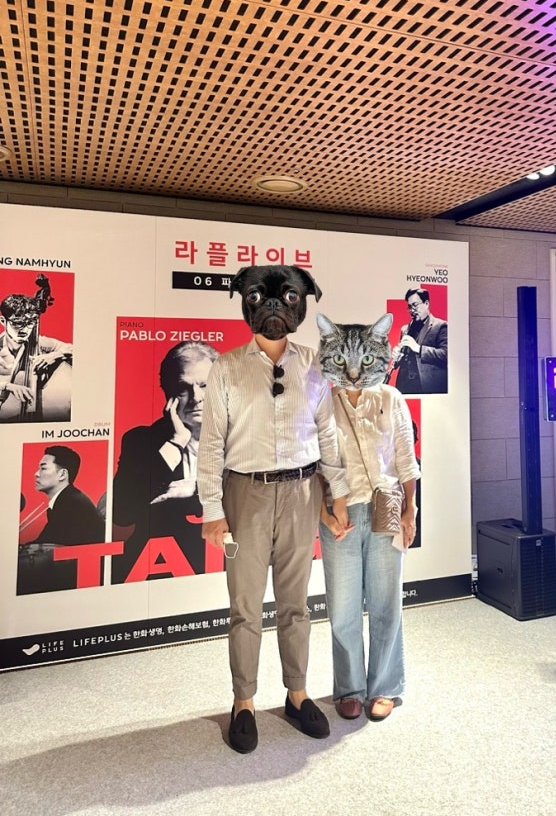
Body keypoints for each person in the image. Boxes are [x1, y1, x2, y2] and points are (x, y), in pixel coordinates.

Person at [197, 265, 348, 755]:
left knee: (296, 604)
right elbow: (211, 443)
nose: (274, 307)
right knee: (245, 607)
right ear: (244, 301)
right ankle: (243, 701)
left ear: (304, 302)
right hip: (245, 494)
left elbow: (327, 434)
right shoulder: (226, 367)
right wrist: (213, 509)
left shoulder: (315, 365)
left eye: (289, 297)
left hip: (303, 493)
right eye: (259, 297)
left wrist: (337, 495)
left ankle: (297, 694)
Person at [316, 312, 419, 722]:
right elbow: (314, 466)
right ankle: (349, 687)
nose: (354, 373)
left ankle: (385, 686)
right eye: (344, 362)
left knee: (385, 601)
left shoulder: (391, 399)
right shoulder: (321, 401)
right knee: (342, 607)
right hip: (338, 511)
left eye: (365, 362)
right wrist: (323, 514)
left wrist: (411, 510)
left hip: (386, 506)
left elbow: (406, 459)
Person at [111, 340, 218, 583]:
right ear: (167, 393)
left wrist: (197, 488)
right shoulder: (140, 440)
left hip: (223, 561)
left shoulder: (244, 436)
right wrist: (176, 442)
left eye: (205, 385)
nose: (197, 398)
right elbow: (122, 514)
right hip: (159, 568)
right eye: (183, 388)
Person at [0, 292, 73, 421]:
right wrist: (6, 386)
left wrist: (55, 355)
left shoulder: (39, 343)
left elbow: (75, 349)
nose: (24, 330)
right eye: (17, 323)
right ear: (3, 321)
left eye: (29, 323)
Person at [34, 446, 104, 545]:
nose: (36, 474)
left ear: (62, 474)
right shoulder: (67, 499)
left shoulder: (70, 504)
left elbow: (48, 544)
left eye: (43, 468)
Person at [390, 286, 448, 394]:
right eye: (409, 307)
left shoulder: (441, 326)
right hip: (404, 386)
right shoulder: (405, 329)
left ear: (426, 304)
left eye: (415, 305)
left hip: (427, 386)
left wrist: (419, 349)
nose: (412, 310)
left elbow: (446, 354)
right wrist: (397, 359)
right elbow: (403, 360)